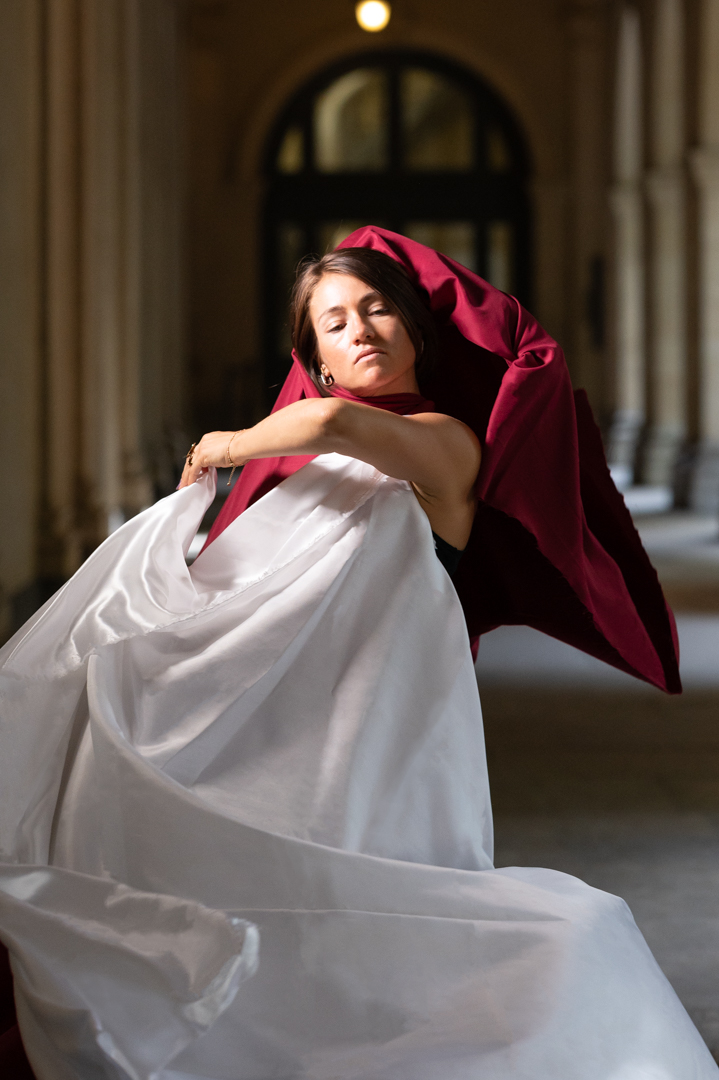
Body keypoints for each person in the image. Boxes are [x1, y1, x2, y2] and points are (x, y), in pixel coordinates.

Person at [0, 229, 715, 1079]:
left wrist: (224, 444)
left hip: (370, 730)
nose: (361, 329)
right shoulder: (304, 475)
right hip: (277, 718)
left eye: (377, 309)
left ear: (415, 329)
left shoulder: (447, 446)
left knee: (356, 907)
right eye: (334, 323)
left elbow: (336, 422)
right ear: (318, 357)